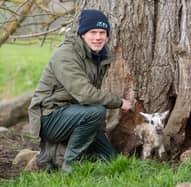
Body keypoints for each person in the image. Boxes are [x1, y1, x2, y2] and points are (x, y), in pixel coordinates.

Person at [28, 9, 132, 172]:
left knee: (112, 159)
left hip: (76, 114)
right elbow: (85, 94)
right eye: (93, 32)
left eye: (102, 32)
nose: (98, 37)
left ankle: (79, 159)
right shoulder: (66, 55)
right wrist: (119, 102)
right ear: (82, 33)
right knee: (97, 111)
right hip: (50, 117)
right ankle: (69, 166)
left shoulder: (97, 55)